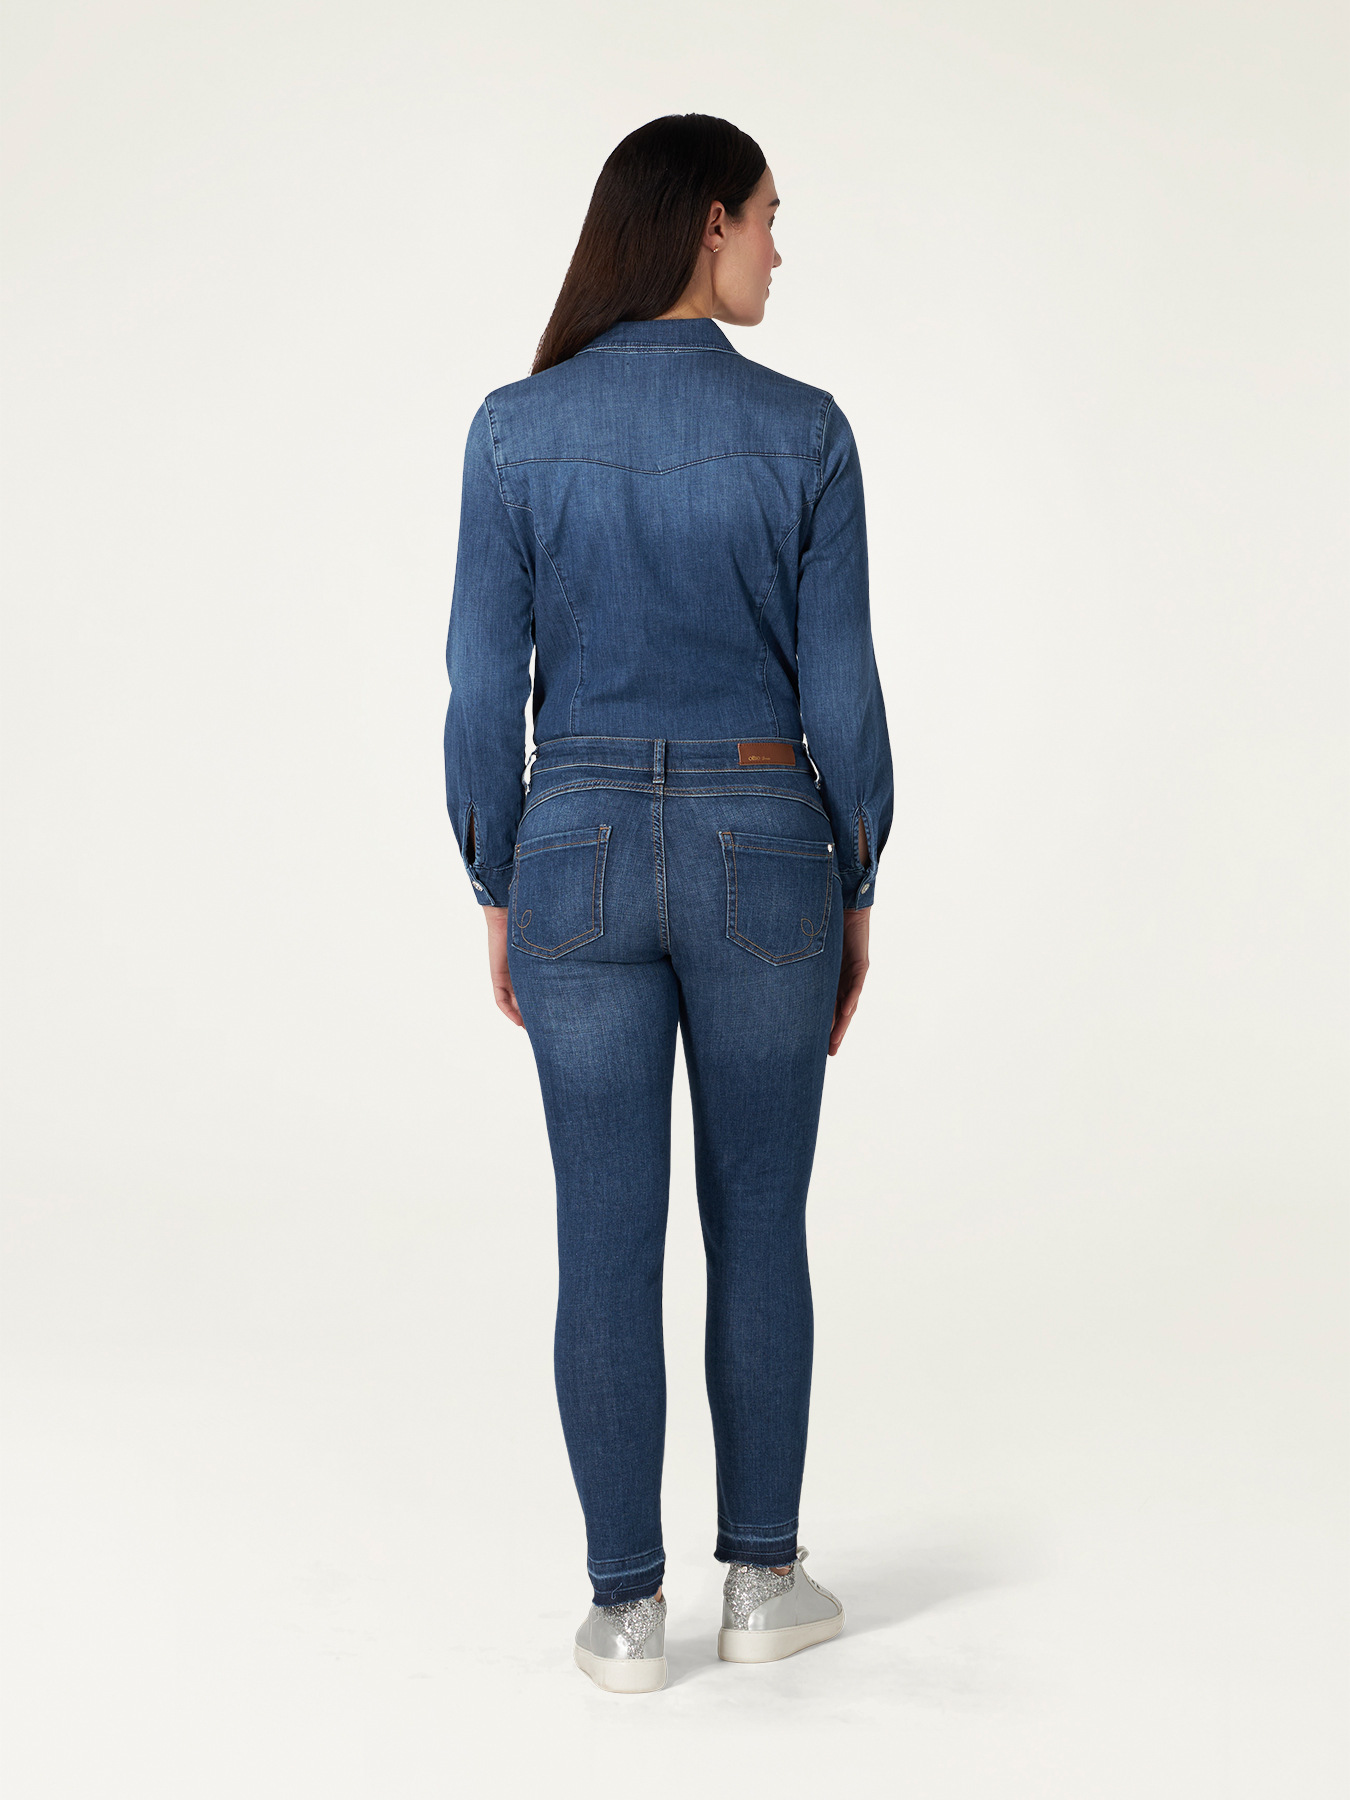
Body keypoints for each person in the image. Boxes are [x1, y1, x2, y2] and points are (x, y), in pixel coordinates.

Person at [443, 113, 892, 1694]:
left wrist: (499, 880)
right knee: (759, 1225)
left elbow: (475, 691)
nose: (777, 245)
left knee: (601, 1239)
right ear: (707, 222)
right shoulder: (804, 432)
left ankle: (624, 1616)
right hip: (769, 847)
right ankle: (761, 1585)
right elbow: (843, 700)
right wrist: (855, 880)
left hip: (569, 851)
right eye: (767, 215)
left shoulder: (513, 431)